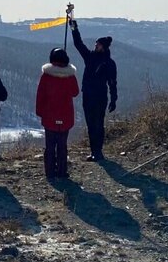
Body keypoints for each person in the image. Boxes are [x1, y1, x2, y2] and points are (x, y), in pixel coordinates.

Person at [71, 19, 118, 161]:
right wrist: (74, 27)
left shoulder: (108, 63)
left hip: (99, 96)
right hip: (89, 95)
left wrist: (114, 98)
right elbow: (78, 44)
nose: (95, 46)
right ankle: (94, 151)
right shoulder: (91, 57)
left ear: (102, 47)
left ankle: (98, 151)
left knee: (98, 123)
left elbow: (112, 82)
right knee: (91, 124)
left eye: (97, 44)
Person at [36, 47, 79, 179]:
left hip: (49, 115)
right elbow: (75, 92)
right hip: (66, 116)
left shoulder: (46, 75)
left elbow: (40, 95)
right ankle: (62, 172)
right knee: (62, 145)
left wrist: (40, 112)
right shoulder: (70, 76)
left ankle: (50, 172)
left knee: (50, 146)